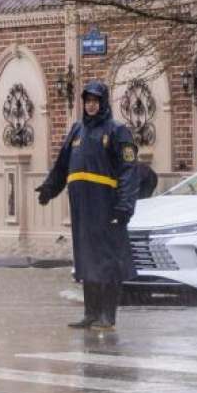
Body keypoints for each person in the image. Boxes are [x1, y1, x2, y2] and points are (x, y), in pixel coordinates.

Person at [36, 81, 140, 331]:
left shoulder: (118, 131)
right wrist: (49, 188)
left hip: (106, 207)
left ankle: (107, 316)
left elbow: (129, 171)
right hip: (82, 209)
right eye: (88, 101)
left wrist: (124, 206)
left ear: (103, 103)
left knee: (107, 261)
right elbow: (62, 165)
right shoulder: (77, 131)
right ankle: (91, 313)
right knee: (87, 260)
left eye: (95, 101)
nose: (91, 105)